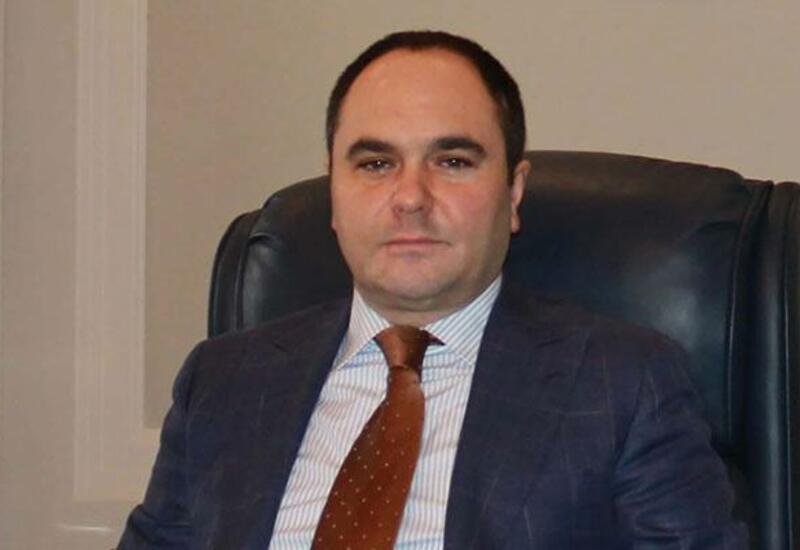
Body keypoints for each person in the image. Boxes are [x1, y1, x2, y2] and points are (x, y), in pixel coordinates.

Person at [119, 30, 747, 549]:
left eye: (452, 162)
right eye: (375, 164)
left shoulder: (623, 384)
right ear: (334, 192)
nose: (411, 198)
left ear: (513, 193)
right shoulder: (222, 383)